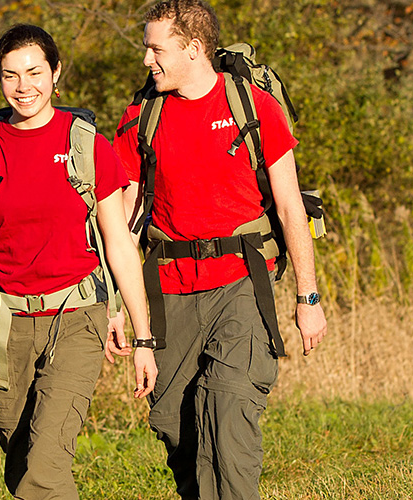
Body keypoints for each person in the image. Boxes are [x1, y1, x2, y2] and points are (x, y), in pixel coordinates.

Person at [0, 24, 158, 499]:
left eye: (34, 72)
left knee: (45, 467)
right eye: (10, 75)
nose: (23, 86)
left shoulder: (88, 146)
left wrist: (142, 335)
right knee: (22, 464)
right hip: (4, 324)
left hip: (76, 319)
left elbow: (119, 243)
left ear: (56, 73)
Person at [113, 1, 328, 499]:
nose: (147, 59)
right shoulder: (141, 116)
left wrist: (308, 297)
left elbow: (291, 207)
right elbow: (124, 218)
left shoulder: (250, 106)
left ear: (192, 49)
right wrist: (117, 307)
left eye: (155, 48)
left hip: (241, 281)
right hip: (168, 286)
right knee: (171, 420)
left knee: (229, 414)